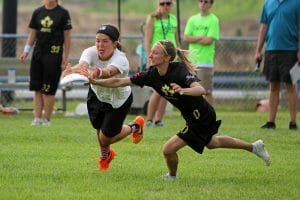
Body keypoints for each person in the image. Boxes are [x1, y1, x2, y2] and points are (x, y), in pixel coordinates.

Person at [87, 40, 271, 179]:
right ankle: (254, 147)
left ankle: (172, 177)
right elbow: (120, 81)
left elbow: (200, 90)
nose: (150, 55)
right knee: (213, 143)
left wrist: (183, 90)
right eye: (151, 52)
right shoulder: (151, 75)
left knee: (168, 150)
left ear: (166, 58)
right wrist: (97, 82)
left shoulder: (179, 71)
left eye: (155, 53)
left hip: (201, 116)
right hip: (193, 117)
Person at [61, 24, 145, 171]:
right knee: (99, 130)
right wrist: (71, 71)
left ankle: (135, 126)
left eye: (105, 41)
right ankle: (105, 157)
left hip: (118, 101)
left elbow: (108, 72)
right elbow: (83, 65)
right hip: (97, 95)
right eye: (97, 40)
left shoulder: (121, 60)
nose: (100, 45)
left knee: (105, 137)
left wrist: (96, 72)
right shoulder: (90, 52)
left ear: (115, 43)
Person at [19, 0, 72, 126]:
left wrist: (66, 56)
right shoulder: (38, 12)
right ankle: (37, 119)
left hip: (53, 54)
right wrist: (26, 51)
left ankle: (47, 119)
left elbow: (67, 36)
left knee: (48, 89)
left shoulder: (63, 13)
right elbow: (33, 33)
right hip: (38, 54)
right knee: (37, 88)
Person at [255, 0, 299, 130]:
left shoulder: (297, 3)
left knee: (291, 85)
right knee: (273, 86)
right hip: (271, 50)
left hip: (291, 51)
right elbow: (263, 27)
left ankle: (293, 122)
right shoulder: (268, 3)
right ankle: (270, 122)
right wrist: (258, 50)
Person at [144, 0, 180, 127]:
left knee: (167, 90)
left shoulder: (174, 19)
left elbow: (175, 39)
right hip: (157, 58)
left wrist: (179, 53)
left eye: (168, 3)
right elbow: (147, 40)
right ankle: (149, 119)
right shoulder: (153, 18)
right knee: (157, 90)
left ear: (172, 5)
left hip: (170, 57)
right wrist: (150, 58)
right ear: (158, 5)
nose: (165, 6)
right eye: (162, 3)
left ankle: (159, 120)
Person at [183, 0, 219, 105]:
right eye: (201, 1)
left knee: (206, 92)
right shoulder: (192, 19)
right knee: (191, 91)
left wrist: (193, 38)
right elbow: (186, 37)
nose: (203, 3)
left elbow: (208, 41)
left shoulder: (213, 20)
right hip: (191, 62)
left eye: (206, 1)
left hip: (205, 62)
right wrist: (201, 37)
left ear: (211, 4)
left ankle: (210, 116)